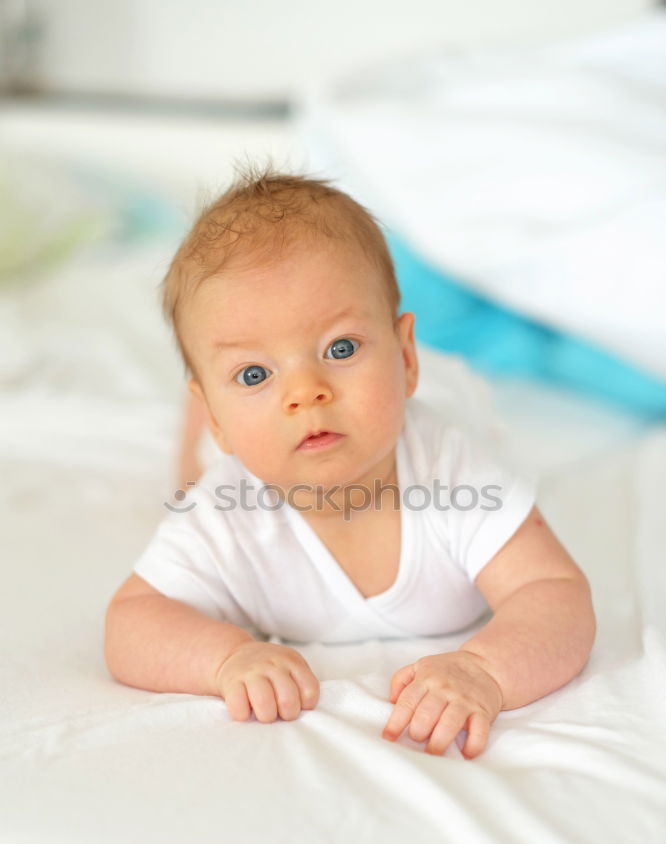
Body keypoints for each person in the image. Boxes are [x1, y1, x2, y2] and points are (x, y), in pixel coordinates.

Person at [104, 159, 596, 759]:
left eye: (340, 347)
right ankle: (204, 425)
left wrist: (486, 670)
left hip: (435, 398)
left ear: (406, 356)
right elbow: (130, 623)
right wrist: (225, 656)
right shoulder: (224, 513)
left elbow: (555, 591)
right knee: (195, 477)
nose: (305, 390)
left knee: (445, 398)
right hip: (237, 453)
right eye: (255, 372)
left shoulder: (452, 471)